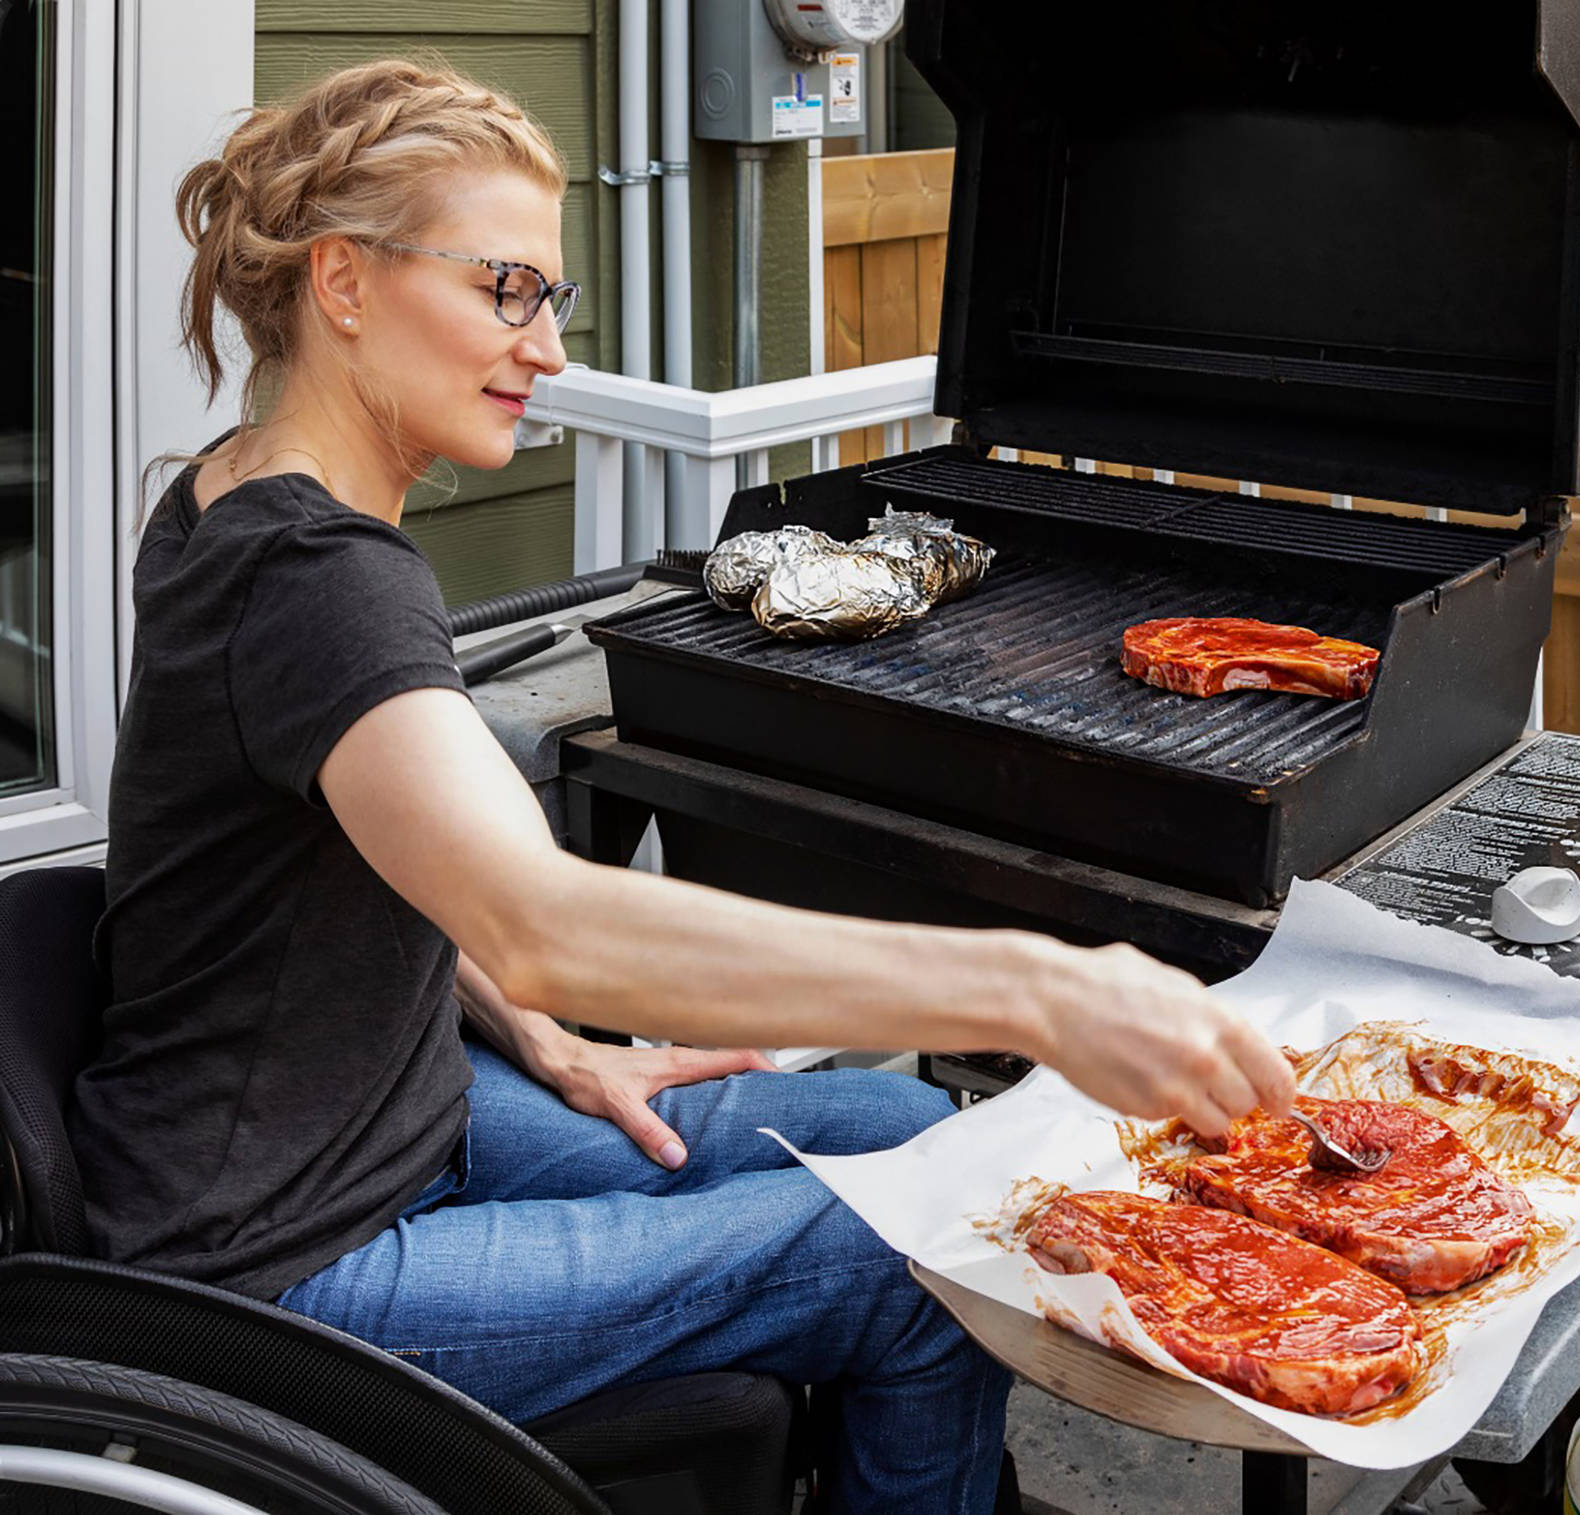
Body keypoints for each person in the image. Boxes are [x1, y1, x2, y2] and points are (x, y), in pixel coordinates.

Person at [67, 59, 1295, 1514]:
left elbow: (392, 864)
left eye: (553, 298)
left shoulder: (231, 488)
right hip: (275, 1272)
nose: (547, 346)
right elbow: (543, 921)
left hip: (388, 1130)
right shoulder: (318, 576)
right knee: (931, 1252)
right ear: (343, 281)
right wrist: (1041, 988)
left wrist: (552, 1044)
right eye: (507, 289)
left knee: (917, 1139)